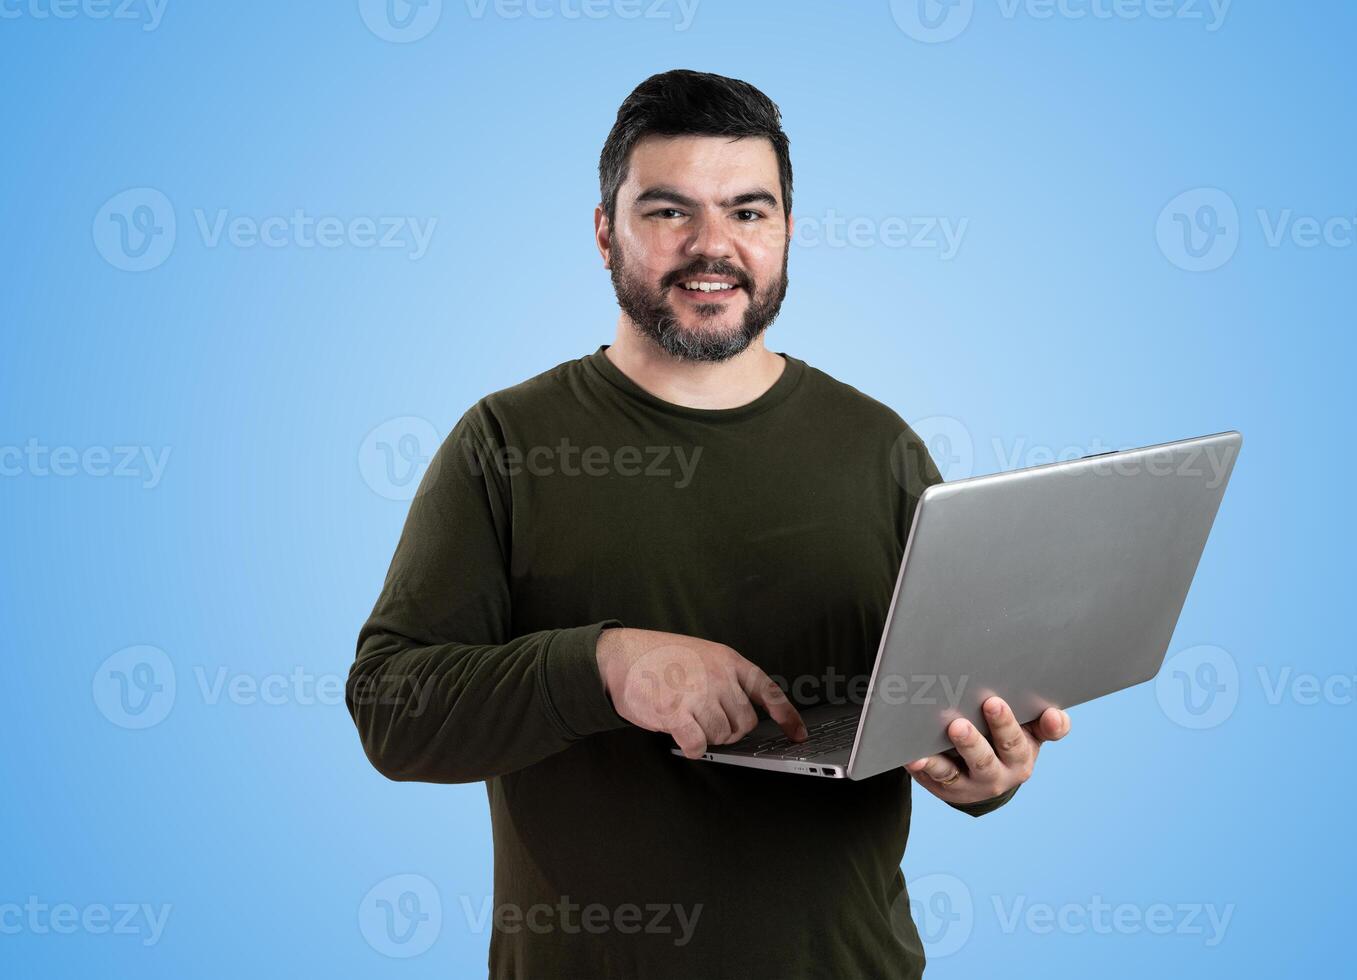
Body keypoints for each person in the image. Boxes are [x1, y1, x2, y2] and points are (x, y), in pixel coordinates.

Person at [347, 67, 1072, 979]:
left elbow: (943, 702)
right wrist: (606, 665)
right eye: (668, 212)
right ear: (605, 232)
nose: (713, 246)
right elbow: (391, 709)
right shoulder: (505, 444)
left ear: (789, 232)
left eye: (749, 211)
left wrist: (985, 774)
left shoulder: (880, 446)